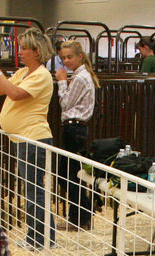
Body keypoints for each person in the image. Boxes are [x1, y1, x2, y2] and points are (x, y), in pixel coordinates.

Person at [0, 28, 55, 250]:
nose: (20, 52)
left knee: (33, 189)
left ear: (37, 51)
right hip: (23, 139)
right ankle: (42, 237)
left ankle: (38, 239)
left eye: (23, 48)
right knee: (32, 188)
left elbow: (15, 94)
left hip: (34, 138)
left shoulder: (42, 75)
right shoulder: (23, 73)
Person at [55, 41, 99, 231]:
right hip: (74, 128)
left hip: (74, 128)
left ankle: (82, 216)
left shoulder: (80, 78)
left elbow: (65, 103)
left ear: (80, 56)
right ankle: (81, 216)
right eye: (63, 58)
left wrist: (61, 81)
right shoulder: (81, 75)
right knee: (68, 173)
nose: (66, 61)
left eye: (69, 57)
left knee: (67, 174)